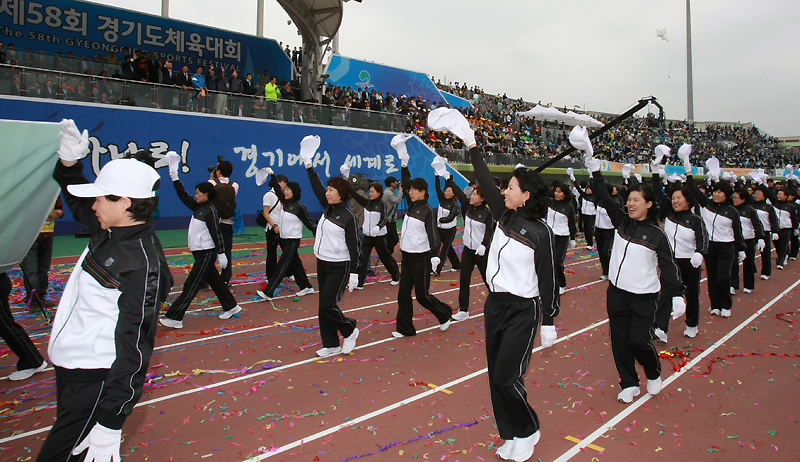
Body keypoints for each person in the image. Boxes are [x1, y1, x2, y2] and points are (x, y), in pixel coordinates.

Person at [428, 108, 557, 462]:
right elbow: (484, 180)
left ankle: (529, 427)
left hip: (523, 310)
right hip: (496, 305)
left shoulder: (540, 232)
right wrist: (470, 143)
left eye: (512, 187)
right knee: (494, 376)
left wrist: (549, 320)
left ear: (526, 195)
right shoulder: (502, 213)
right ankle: (511, 433)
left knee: (506, 377)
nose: (504, 190)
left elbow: (548, 278)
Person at [41, 120, 172, 461]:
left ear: (125, 202)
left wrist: (112, 420)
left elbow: (136, 344)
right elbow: (75, 194)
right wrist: (69, 163)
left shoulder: (142, 263)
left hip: (96, 377)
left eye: (100, 198)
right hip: (73, 368)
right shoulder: (109, 231)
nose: (94, 205)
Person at [573, 128, 683, 407]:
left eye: (636, 200)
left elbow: (668, 267)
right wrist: (592, 163)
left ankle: (653, 370)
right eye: (629, 199)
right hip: (617, 293)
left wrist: (678, 293)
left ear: (648, 204)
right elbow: (603, 195)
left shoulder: (657, 235)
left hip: (644, 297)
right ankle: (629, 382)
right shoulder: (621, 220)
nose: (630, 203)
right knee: (619, 341)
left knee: (637, 340)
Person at [160, 162, 242, 328]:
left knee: (191, 284)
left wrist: (221, 254)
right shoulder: (199, 207)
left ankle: (175, 317)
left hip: (206, 253)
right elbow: (183, 196)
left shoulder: (211, 211)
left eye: (198, 193)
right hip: (200, 253)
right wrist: (175, 177)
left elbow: (216, 233)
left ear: (207, 195)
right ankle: (232, 306)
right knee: (216, 282)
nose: (195, 195)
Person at [300, 136, 361, 357]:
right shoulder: (328, 208)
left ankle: (349, 329)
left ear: (342, 194)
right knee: (322, 306)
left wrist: (354, 272)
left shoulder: (348, 216)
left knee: (327, 305)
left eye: (332, 190)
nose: (327, 192)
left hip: (339, 266)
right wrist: (308, 164)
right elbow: (316, 186)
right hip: (323, 262)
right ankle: (331, 344)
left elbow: (355, 247)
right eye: (327, 189)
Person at [390, 134, 453, 338]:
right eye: (410, 191)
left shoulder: (428, 210)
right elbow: (406, 180)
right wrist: (404, 162)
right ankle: (405, 328)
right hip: (407, 256)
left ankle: (444, 314)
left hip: (422, 258)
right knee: (403, 295)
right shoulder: (411, 206)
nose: (410, 193)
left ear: (424, 192)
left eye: (414, 191)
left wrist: (435, 255)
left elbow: (434, 235)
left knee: (423, 296)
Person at [680, 145, 744, 318]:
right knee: (713, 277)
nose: (716, 195)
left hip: (726, 247)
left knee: (723, 276)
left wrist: (741, 248)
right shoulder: (706, 204)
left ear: (727, 194)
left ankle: (726, 304)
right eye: (715, 192)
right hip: (710, 247)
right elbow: (692, 188)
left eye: (720, 192)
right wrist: (688, 170)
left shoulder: (732, 212)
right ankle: (715, 304)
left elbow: (737, 231)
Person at [651, 157, 708, 340]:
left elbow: (703, 240)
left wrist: (699, 253)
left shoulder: (695, 220)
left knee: (691, 295)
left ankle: (692, 324)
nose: (675, 201)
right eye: (674, 198)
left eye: (679, 198)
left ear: (688, 201)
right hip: (670, 261)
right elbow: (658, 193)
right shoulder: (668, 211)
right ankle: (660, 328)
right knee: (666, 294)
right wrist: (655, 171)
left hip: (689, 262)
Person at [256, 173, 316, 300]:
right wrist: (272, 175)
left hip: (293, 241)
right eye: (285, 188)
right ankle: (306, 286)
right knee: (296, 264)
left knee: (281, 265)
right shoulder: (285, 202)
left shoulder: (299, 207)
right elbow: (277, 188)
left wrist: (320, 236)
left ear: (294, 192)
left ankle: (268, 292)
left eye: (288, 189)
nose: (285, 190)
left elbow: (310, 224)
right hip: (284, 238)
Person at [446, 176, 493, 321]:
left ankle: (501, 304)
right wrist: (448, 178)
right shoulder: (468, 207)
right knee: (464, 279)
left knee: (488, 280)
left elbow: (490, 232)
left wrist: (484, 246)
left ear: (483, 198)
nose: (471, 196)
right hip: (468, 251)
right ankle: (463, 309)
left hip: (481, 252)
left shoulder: (487, 214)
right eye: (471, 194)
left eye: (474, 194)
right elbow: (459, 193)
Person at [348, 173, 400, 288]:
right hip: (368, 236)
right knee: (362, 258)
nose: (370, 194)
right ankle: (360, 283)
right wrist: (346, 178)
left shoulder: (382, 204)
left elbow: (384, 218)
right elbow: (353, 194)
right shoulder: (367, 202)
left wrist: (378, 227)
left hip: (379, 237)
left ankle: (396, 276)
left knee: (385, 257)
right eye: (369, 191)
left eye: (372, 192)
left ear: (378, 193)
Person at [19, 197, 63, 310]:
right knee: (31, 271)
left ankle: (41, 298)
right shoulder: (27, 190)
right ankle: (33, 301)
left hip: (47, 235)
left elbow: (60, 210)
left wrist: (59, 213)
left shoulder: (53, 190)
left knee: (43, 270)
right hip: (29, 236)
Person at [730, 188, 765, 295]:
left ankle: (748, 285)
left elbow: (757, 225)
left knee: (748, 263)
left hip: (748, 240)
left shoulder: (750, 210)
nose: (734, 199)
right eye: (733, 197)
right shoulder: (731, 210)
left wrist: (760, 238)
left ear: (743, 199)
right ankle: (732, 284)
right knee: (732, 263)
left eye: (736, 197)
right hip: (734, 240)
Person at [546, 181, 577, 294]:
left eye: (559, 192)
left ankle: (561, 284)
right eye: (556, 191)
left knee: (557, 261)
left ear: (564, 194)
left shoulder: (569, 207)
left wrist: (573, 238)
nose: (557, 194)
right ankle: (551, 283)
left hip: (562, 237)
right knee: (548, 261)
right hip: (550, 236)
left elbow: (572, 224)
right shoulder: (550, 202)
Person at [210, 160, 238, 285]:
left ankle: (208, 277)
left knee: (210, 250)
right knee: (227, 250)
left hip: (214, 222)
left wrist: (211, 178)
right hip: (228, 221)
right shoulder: (234, 185)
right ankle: (226, 278)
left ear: (218, 171)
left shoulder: (211, 183)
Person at [432, 166, 461, 275]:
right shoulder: (442, 199)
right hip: (440, 229)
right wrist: (436, 175)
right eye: (446, 191)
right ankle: (457, 264)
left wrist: (440, 220)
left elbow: (451, 217)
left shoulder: (454, 204)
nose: (447, 193)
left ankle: (437, 269)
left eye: (449, 191)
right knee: (444, 248)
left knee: (445, 250)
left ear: (454, 193)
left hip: (450, 230)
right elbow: (437, 187)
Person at [261, 173, 288, 283]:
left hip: (283, 227)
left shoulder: (282, 195)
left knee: (288, 252)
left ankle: (288, 272)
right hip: (273, 228)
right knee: (272, 253)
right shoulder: (269, 195)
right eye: (284, 184)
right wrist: (274, 225)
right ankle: (271, 276)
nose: (285, 186)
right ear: (279, 182)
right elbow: (266, 213)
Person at [751, 184, 779, 279]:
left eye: (759, 193)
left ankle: (766, 272)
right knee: (749, 252)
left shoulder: (769, 207)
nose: (756, 195)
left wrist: (775, 231)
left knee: (765, 253)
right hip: (751, 232)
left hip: (764, 232)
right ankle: (751, 269)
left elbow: (773, 220)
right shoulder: (751, 205)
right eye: (755, 193)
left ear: (764, 195)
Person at [382, 176, 402, 250]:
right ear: (391, 183)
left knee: (390, 238)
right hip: (389, 220)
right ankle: (387, 253)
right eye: (395, 182)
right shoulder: (388, 193)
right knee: (394, 239)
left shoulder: (389, 192)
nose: (397, 184)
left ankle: (388, 253)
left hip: (390, 219)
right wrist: (400, 191)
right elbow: (398, 200)